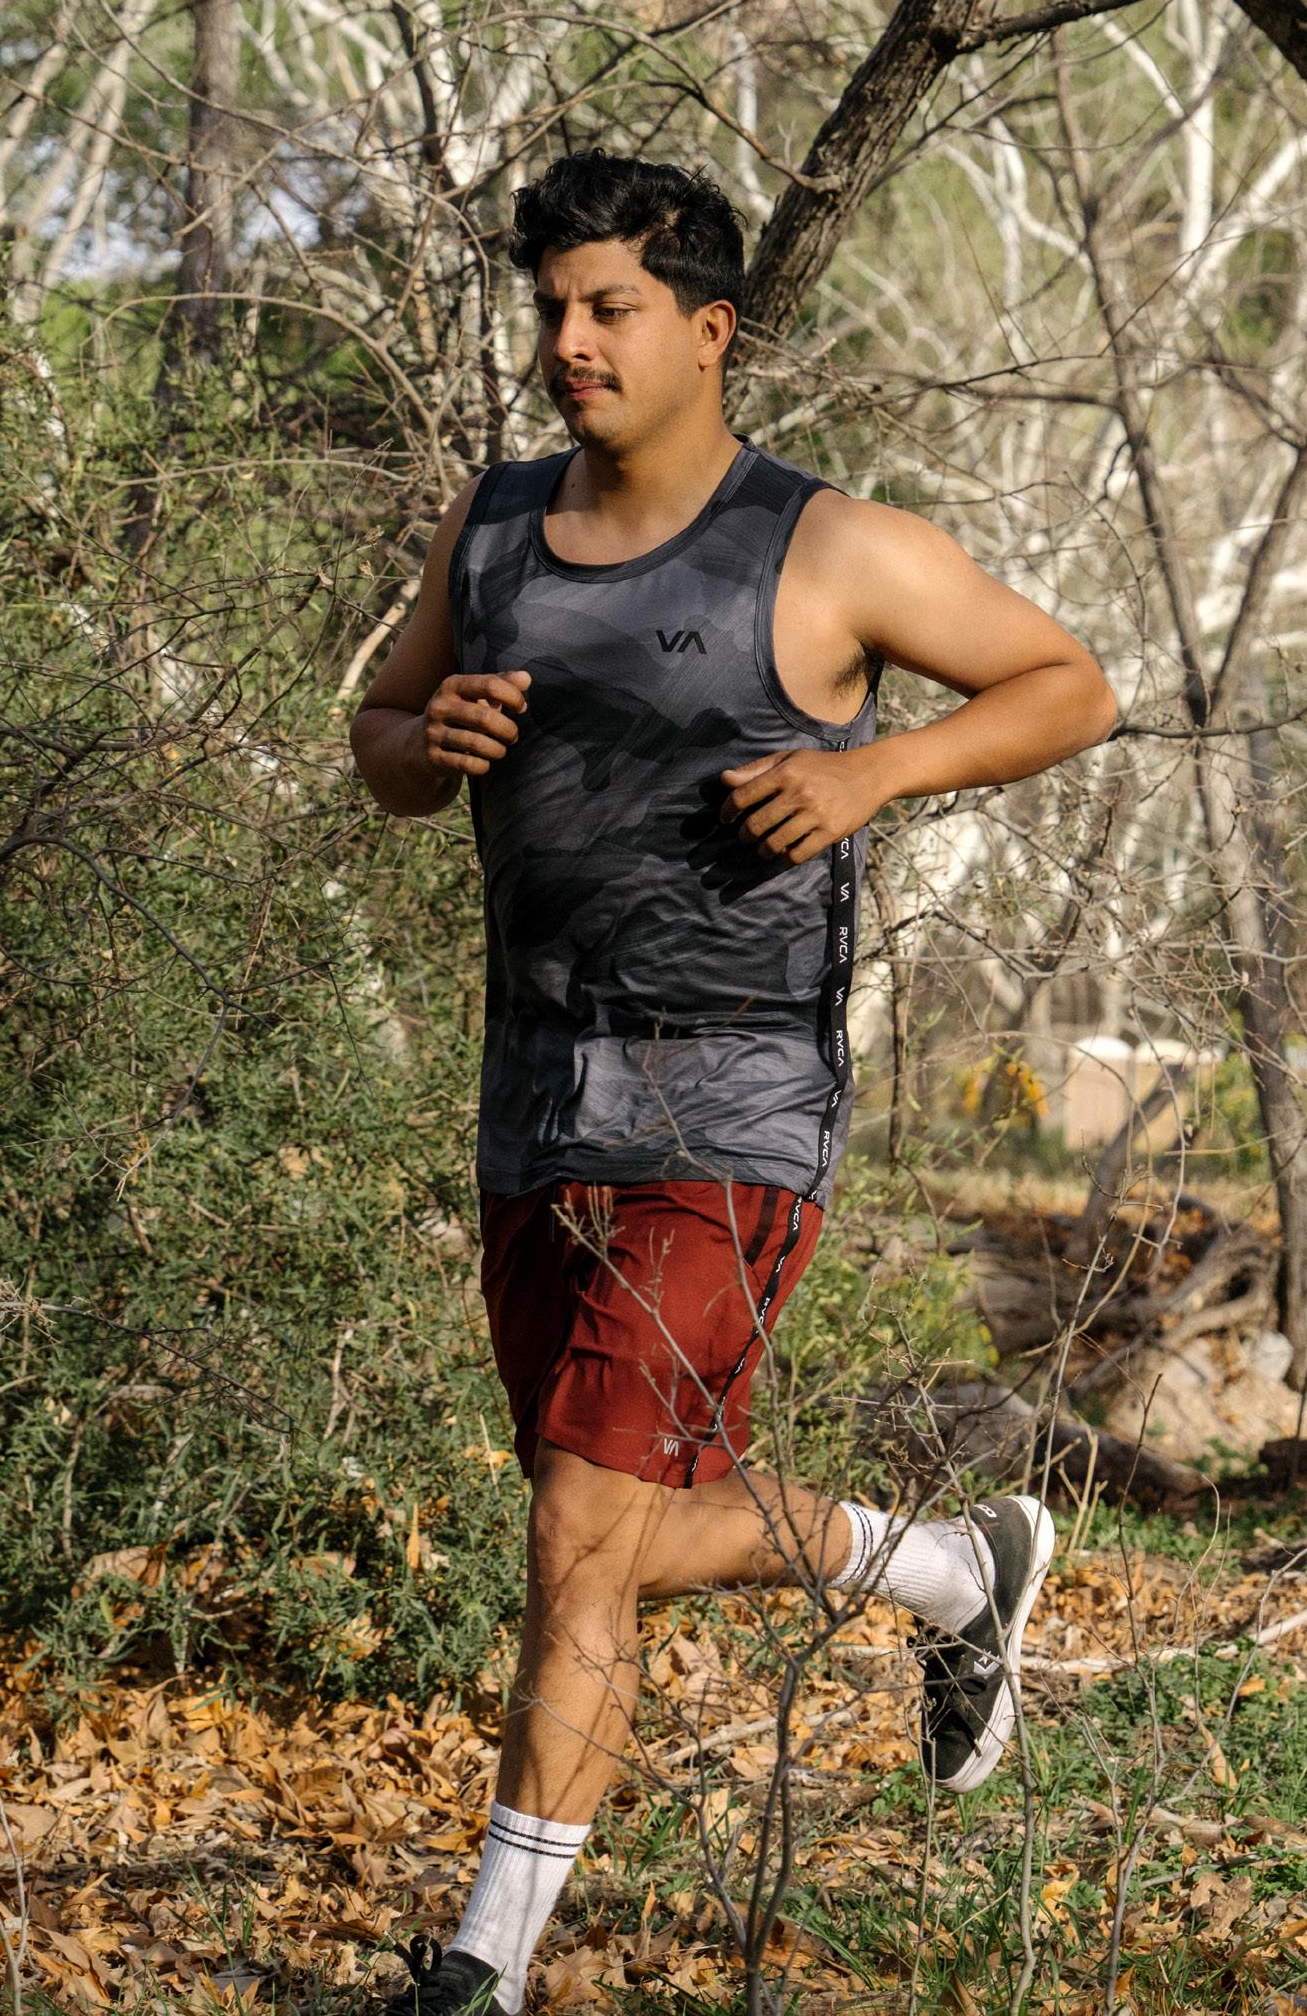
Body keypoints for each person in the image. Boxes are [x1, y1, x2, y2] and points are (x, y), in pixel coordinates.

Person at [349, 151, 1120, 2015]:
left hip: (735, 1101)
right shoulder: (491, 531)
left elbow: (1067, 685)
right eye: (551, 306)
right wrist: (424, 735)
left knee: (575, 1531)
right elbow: (376, 741)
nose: (569, 339)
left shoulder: (824, 546)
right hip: (532, 1096)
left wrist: (872, 772)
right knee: (607, 1516)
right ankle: (945, 1571)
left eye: (608, 306)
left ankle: (480, 1971)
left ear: (707, 328)